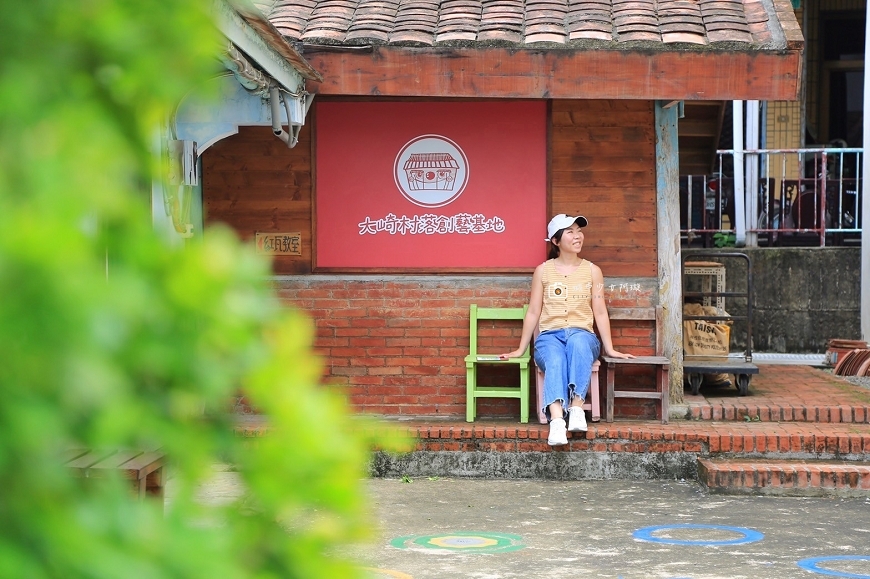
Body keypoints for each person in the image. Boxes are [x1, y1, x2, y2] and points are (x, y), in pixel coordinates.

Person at [500, 214, 634, 446]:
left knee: (578, 343)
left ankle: (576, 408)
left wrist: (610, 349)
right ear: (555, 240)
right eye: (570, 232)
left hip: (583, 335)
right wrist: (521, 348)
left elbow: (600, 311)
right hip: (549, 336)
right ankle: (557, 421)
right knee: (554, 358)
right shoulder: (543, 271)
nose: (577, 236)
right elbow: (533, 311)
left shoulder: (593, 271)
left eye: (579, 231)